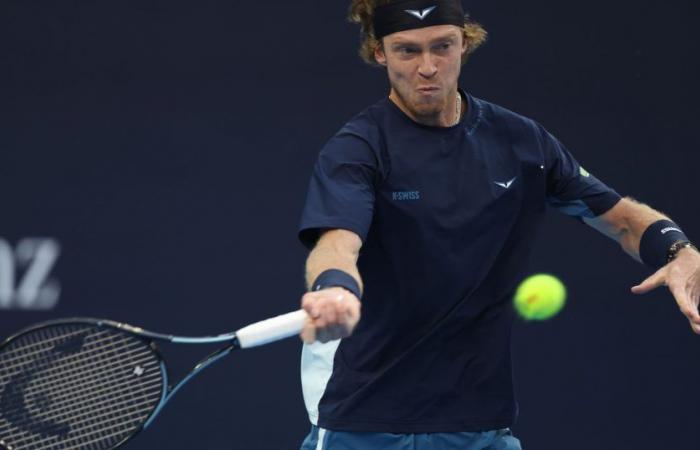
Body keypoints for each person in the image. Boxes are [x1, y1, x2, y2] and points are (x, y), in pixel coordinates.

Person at [295, 1, 700, 449]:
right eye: (407, 51)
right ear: (380, 54)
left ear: (464, 44)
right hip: (366, 422)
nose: (427, 67)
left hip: (480, 425)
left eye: (442, 47)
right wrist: (335, 287)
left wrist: (679, 251)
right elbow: (337, 243)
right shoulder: (357, 148)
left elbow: (623, 220)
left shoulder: (523, 142)